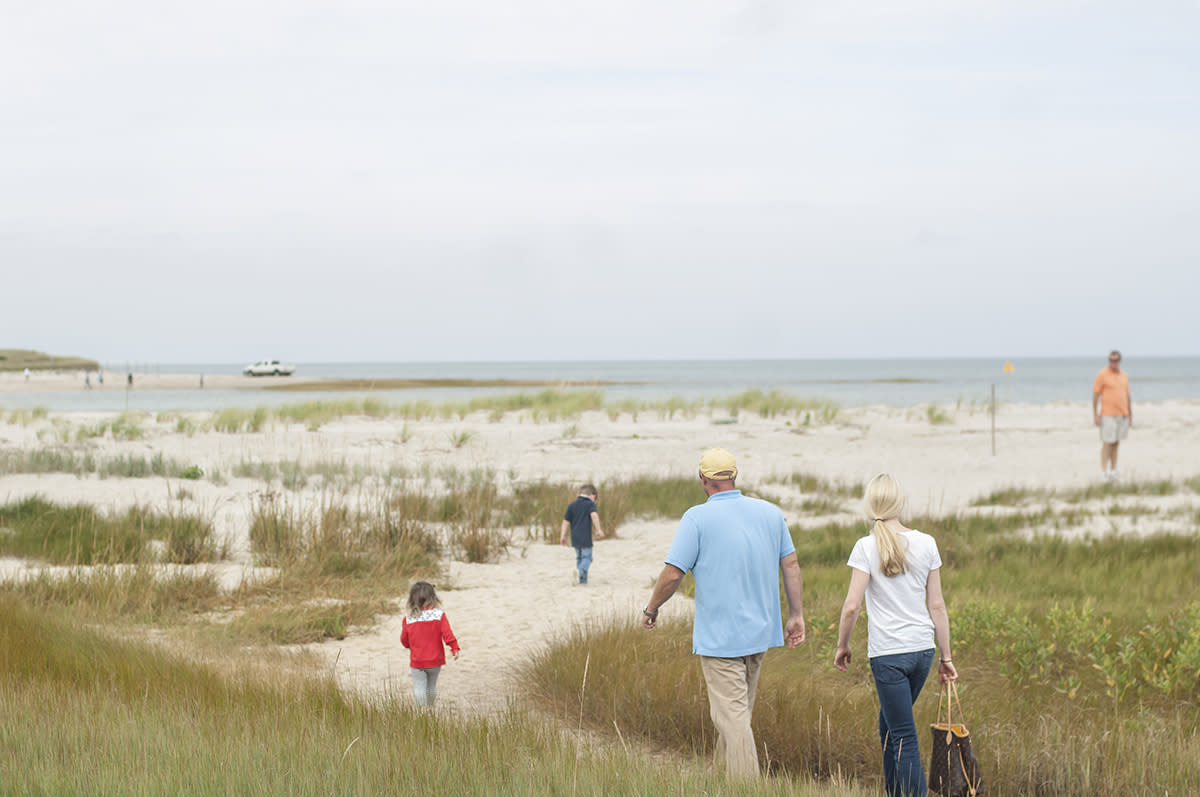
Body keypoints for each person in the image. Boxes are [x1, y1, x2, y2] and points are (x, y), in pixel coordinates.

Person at [642, 448, 806, 778]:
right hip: (760, 633)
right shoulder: (770, 512)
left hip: (720, 638)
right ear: (734, 477)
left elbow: (674, 573)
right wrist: (796, 615)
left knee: (732, 719)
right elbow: (790, 564)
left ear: (703, 480)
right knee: (735, 716)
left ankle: (747, 787)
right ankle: (719, 781)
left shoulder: (696, 518)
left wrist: (652, 608)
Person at [834, 473, 956, 797]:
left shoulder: (865, 547)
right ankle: (893, 792)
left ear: (871, 506)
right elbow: (938, 606)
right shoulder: (927, 542)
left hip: (888, 655)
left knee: (903, 735)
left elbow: (850, 607)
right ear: (901, 503)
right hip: (922, 652)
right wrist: (946, 658)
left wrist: (842, 645)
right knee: (888, 726)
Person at [400, 581, 460, 708]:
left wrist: (410, 646)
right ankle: (430, 708)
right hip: (435, 660)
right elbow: (447, 634)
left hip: (418, 660)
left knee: (419, 686)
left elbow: (404, 639)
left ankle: (421, 712)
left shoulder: (409, 618)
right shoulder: (439, 615)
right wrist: (454, 648)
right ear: (433, 598)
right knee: (431, 686)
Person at [1092, 349, 1131, 481]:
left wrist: (1130, 414)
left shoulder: (1124, 375)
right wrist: (1095, 414)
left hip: (1122, 413)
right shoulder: (1102, 375)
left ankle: (1113, 470)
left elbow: (1127, 395)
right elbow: (1095, 395)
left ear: (1119, 361)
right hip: (1107, 414)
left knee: (1116, 443)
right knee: (1107, 442)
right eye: (1110, 360)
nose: (1112, 363)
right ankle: (1104, 471)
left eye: (1115, 360)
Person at [559, 483, 606, 584]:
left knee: (579, 557)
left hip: (574, 537)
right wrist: (599, 530)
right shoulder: (590, 504)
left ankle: (582, 580)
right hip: (585, 536)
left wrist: (562, 535)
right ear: (593, 496)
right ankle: (579, 571)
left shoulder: (571, 505)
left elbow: (565, 522)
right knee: (587, 558)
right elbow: (594, 516)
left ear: (578, 494)